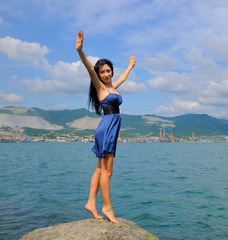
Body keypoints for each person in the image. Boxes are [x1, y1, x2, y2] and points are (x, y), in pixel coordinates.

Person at [76, 30, 136, 224]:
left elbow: (123, 79)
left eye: (108, 70)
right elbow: (88, 68)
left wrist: (130, 66)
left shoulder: (112, 87)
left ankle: (91, 202)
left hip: (109, 128)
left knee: (99, 169)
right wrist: (80, 50)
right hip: (107, 128)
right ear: (99, 75)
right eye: (102, 72)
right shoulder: (100, 87)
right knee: (107, 172)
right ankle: (107, 207)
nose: (106, 74)